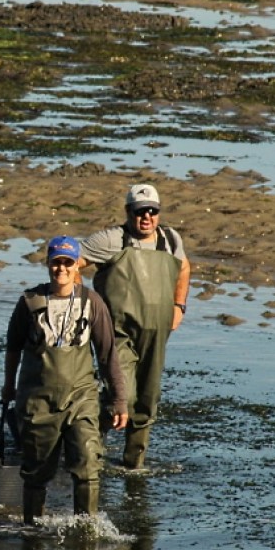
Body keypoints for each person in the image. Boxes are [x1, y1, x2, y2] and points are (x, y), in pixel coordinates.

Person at [1, 235, 128, 525]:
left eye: (67, 263)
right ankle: (32, 529)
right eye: (56, 262)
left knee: (87, 464)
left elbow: (108, 354)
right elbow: (12, 347)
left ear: (77, 267)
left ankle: (86, 528)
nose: (61, 269)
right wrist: (9, 387)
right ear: (47, 264)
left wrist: (120, 400)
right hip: (37, 402)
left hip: (81, 399)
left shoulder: (92, 302)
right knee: (36, 470)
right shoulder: (29, 301)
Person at [78, 184, 191, 469]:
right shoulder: (111, 239)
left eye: (153, 211)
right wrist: (83, 305)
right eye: (141, 212)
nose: (147, 217)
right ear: (129, 212)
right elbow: (71, 261)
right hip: (118, 332)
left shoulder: (170, 239)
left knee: (147, 398)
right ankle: (90, 453)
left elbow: (185, 268)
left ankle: (134, 465)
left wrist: (179, 306)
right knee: (121, 394)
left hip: (157, 331)